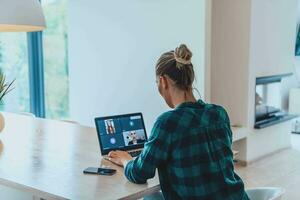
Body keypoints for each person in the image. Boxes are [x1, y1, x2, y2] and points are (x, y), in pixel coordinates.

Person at [108, 44, 249, 200]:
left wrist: (125, 159)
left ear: (163, 81)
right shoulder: (219, 113)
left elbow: (140, 173)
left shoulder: (167, 123)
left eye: (157, 83)